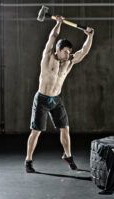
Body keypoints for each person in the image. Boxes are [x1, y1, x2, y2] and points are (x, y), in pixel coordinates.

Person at [25, 16, 94, 173]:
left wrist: (90, 36)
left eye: (69, 51)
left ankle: (68, 156)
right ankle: (28, 160)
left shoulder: (69, 62)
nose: (68, 53)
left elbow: (83, 52)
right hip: (42, 99)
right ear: (58, 50)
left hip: (56, 99)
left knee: (65, 129)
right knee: (36, 132)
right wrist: (58, 23)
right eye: (65, 51)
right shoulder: (47, 57)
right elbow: (53, 37)